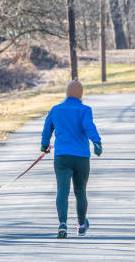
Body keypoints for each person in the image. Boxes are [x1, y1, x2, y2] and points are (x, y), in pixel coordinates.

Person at [41, 80, 102, 239]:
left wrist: (44, 145)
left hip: (62, 156)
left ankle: (63, 223)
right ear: (81, 94)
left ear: (67, 92)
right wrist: (96, 142)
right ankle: (81, 225)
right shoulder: (85, 110)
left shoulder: (56, 110)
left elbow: (47, 129)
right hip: (81, 157)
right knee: (80, 191)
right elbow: (89, 127)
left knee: (62, 190)